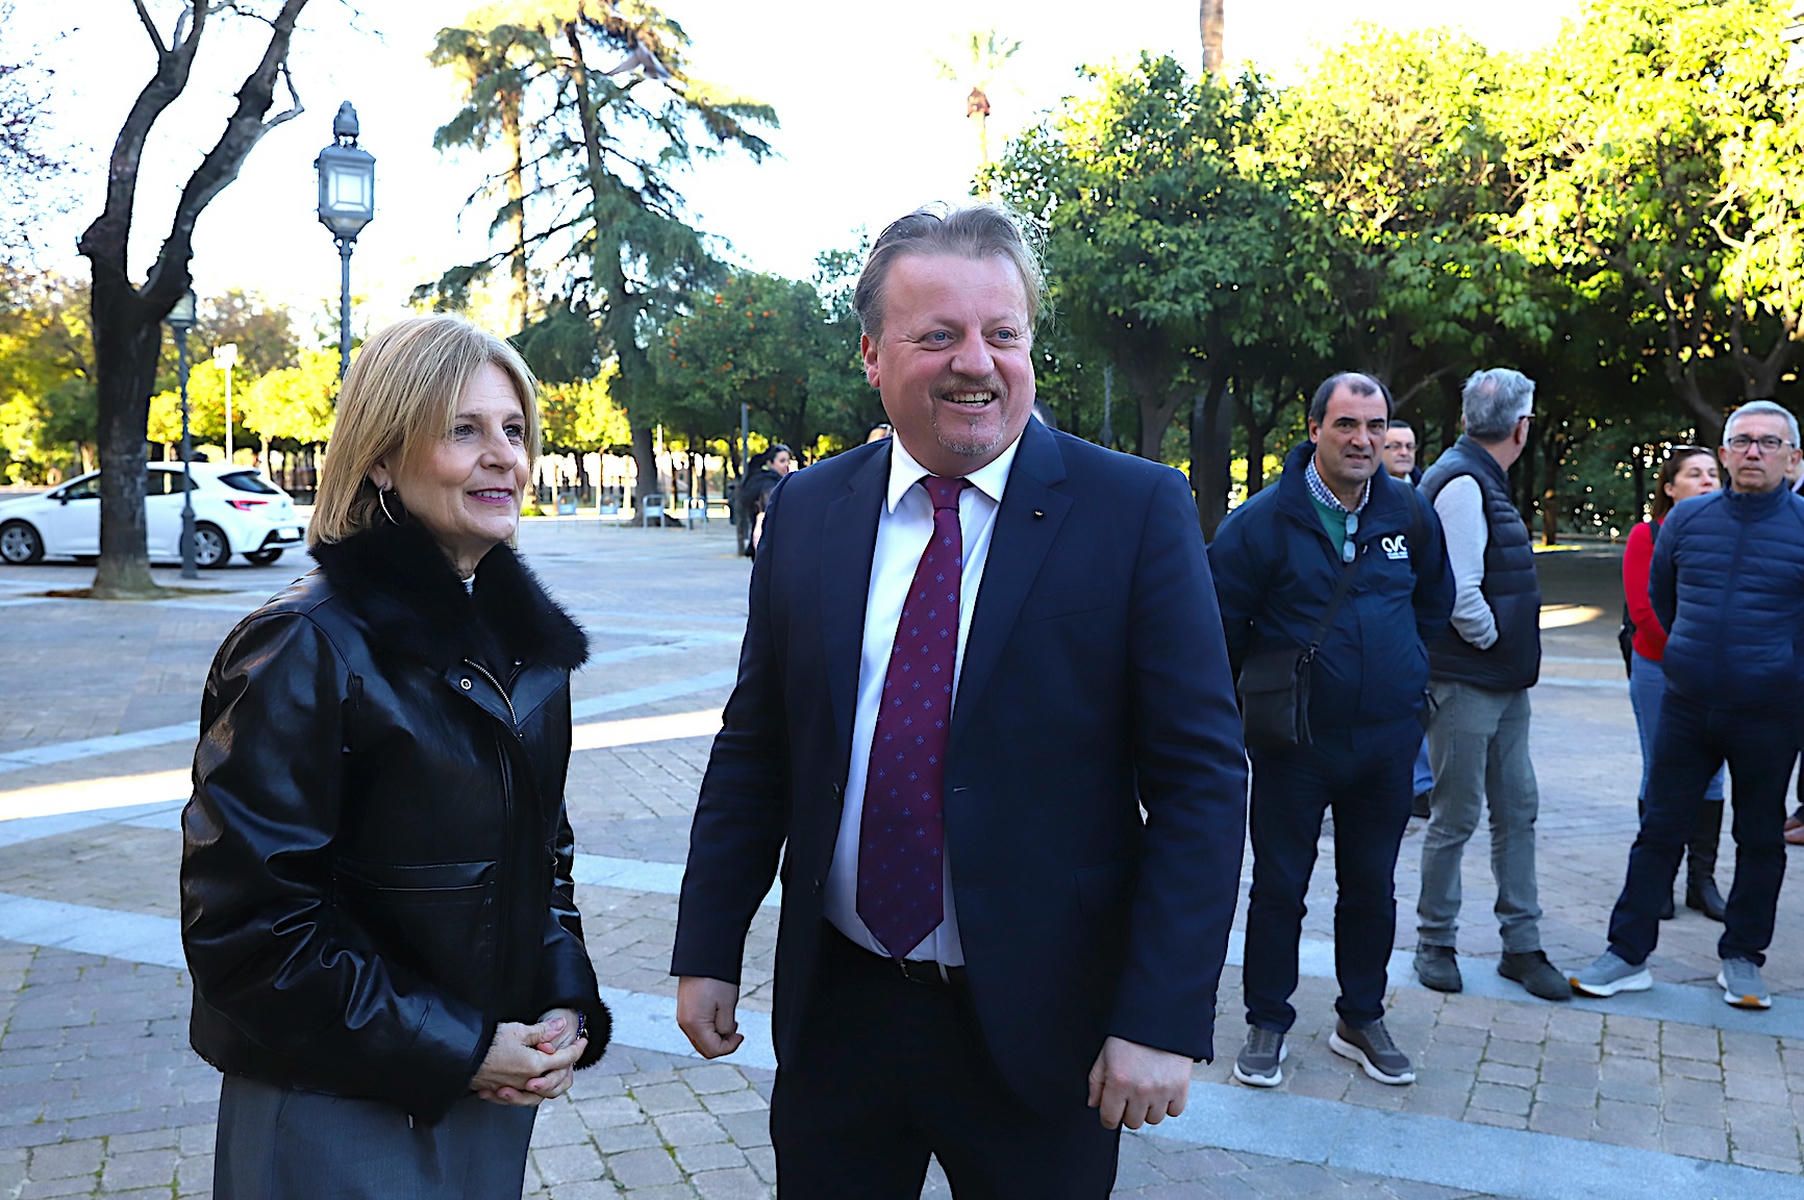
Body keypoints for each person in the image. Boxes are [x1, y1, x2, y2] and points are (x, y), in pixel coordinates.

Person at [669, 203, 1248, 1197]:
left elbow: (1201, 783)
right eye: (938, 335)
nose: (976, 363)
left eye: (1002, 334)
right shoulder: (807, 510)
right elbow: (757, 746)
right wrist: (709, 945)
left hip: (1043, 1026)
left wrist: (1160, 1015)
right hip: (841, 1010)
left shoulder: (1133, 512)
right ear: (871, 355)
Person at [181, 316, 610, 1198]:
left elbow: (542, 859)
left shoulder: (524, 652)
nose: (503, 456)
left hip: (487, 1090)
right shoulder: (303, 644)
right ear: (381, 457)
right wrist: (457, 1049)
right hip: (333, 1103)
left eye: (515, 429)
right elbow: (248, 932)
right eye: (464, 430)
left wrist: (563, 997)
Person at [1210, 372, 1452, 1090]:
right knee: (1280, 886)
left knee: (1371, 886)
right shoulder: (1262, 522)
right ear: (1314, 429)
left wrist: (1403, 670)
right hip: (1295, 743)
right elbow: (1218, 628)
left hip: (1385, 742)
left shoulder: (1409, 512)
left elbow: (1432, 603)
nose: (1363, 440)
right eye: (1347, 424)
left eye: (1376, 426)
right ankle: (1267, 1019)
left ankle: (1361, 1016)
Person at [1572, 401, 1804, 1009]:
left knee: (1760, 838)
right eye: (1742, 441)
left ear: (1792, 458)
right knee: (1659, 829)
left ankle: (1742, 957)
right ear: (1724, 454)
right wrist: (1688, 658)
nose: (1754, 452)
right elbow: (1663, 598)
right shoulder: (1688, 519)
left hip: (1769, 713)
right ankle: (1627, 954)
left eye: (1769, 442)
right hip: (1688, 704)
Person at [1412, 368, 1570, 1002]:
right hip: (1468, 681)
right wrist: (1496, 644)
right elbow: (1460, 594)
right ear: (1522, 428)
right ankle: (1435, 941)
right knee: (1456, 816)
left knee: (1517, 810)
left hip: (1499, 682)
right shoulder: (1463, 482)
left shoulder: (1475, 476)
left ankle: (1521, 945)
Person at [1622, 447, 1726, 920]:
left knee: (1713, 774)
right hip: (1660, 667)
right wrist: (1690, 654)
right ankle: (1657, 881)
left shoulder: (1730, 536)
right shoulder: (1647, 535)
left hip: (1717, 672)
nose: (1707, 481)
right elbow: (1644, 611)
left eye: (1713, 474)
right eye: (1694, 474)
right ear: (1669, 487)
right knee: (1662, 767)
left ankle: (1702, 881)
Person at [1384, 418, 1435, 817]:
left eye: (1409, 446)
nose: (1403, 452)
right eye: (1395, 446)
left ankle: (1422, 783)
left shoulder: (1422, 500)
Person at [747, 443, 795, 554]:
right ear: (770, 463)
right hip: (770, 544)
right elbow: (764, 514)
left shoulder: (768, 481)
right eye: (782, 461)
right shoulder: (770, 485)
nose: (786, 465)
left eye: (788, 461)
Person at [1382, 418, 1423, 486]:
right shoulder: (1366, 488)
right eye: (1396, 446)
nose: (1404, 453)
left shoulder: (1427, 487)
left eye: (1409, 446)